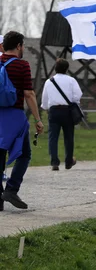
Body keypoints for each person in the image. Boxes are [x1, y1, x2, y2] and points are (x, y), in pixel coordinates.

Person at [0, 31, 44, 210]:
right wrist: (38, 119)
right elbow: (29, 94)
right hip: (15, 116)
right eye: (23, 45)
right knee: (24, 154)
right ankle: (11, 189)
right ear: (18, 46)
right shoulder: (22, 65)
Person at [41, 58, 82, 171]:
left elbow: (44, 98)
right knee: (69, 137)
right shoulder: (71, 80)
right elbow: (78, 95)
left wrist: (45, 107)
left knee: (53, 137)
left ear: (55, 68)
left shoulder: (49, 81)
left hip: (54, 111)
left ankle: (54, 162)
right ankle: (68, 161)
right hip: (67, 110)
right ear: (67, 69)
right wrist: (73, 102)